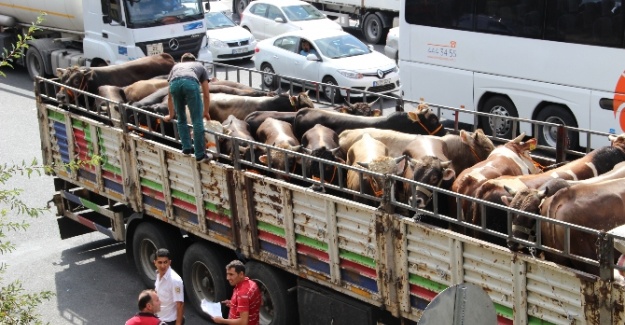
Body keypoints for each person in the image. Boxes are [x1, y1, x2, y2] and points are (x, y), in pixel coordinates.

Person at [163, 52, 212, 162]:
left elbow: (169, 97)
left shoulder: (175, 67)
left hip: (175, 85)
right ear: (194, 61)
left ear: (181, 61)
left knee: (181, 118)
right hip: (190, 84)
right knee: (197, 121)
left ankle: (186, 149)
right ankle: (200, 155)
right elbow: (206, 94)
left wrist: (171, 114)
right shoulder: (200, 67)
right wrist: (206, 112)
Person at [211, 260, 261, 325]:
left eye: (231, 274)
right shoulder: (252, 284)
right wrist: (234, 304)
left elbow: (243, 322)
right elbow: (254, 304)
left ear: (241, 274)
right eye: (227, 274)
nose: (227, 278)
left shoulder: (242, 294)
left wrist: (222, 320)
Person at [154, 248, 185, 325]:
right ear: (155, 263)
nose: (163, 265)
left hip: (169, 321)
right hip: (159, 318)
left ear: (169, 262)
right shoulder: (158, 274)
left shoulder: (175, 280)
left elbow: (180, 304)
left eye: (165, 262)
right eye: (160, 262)